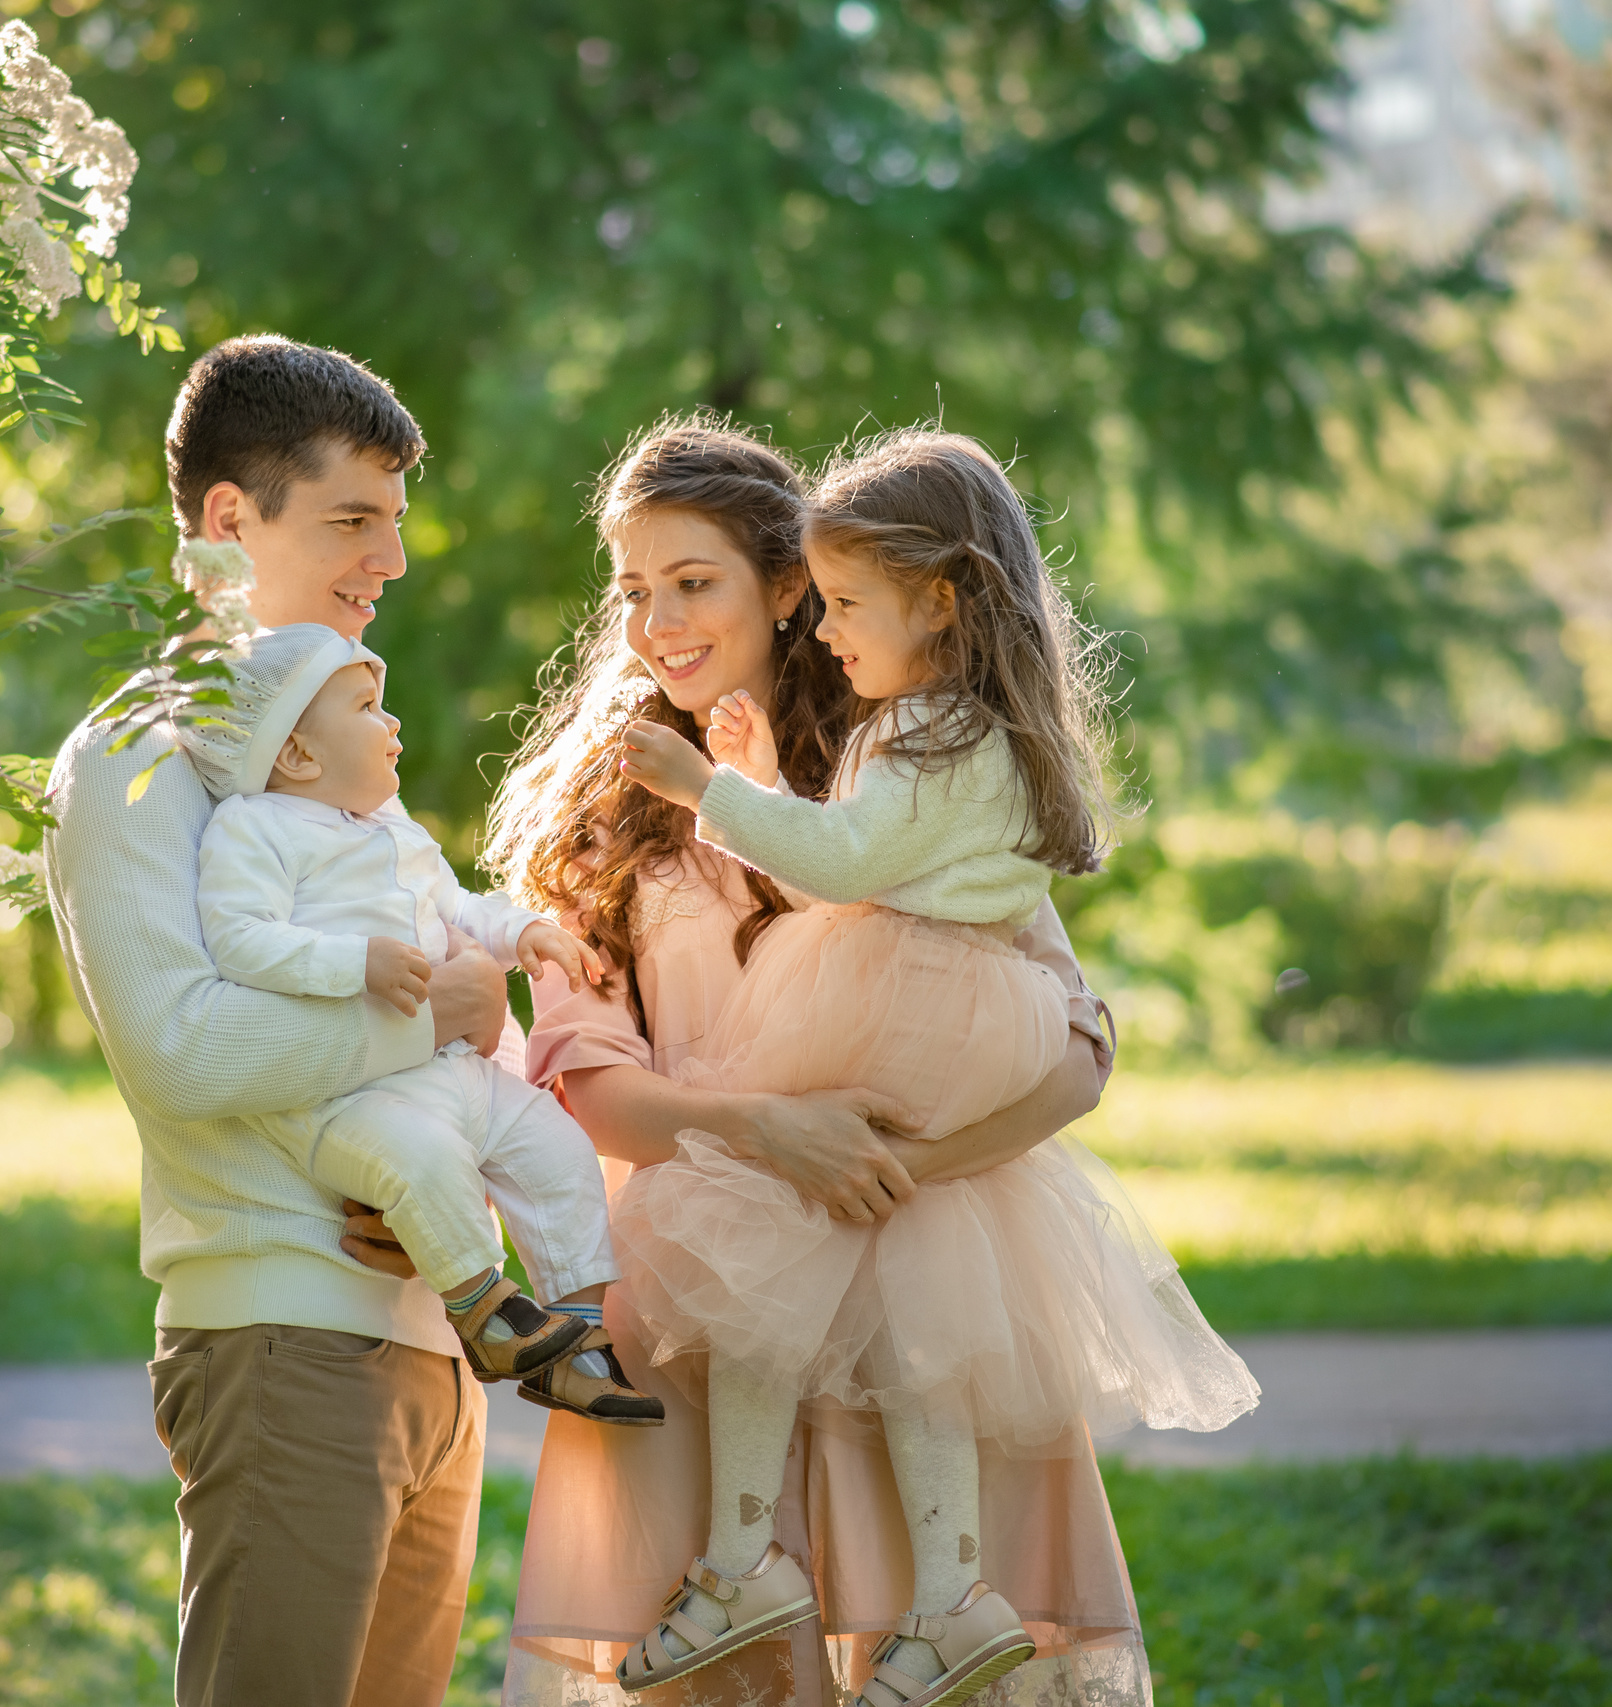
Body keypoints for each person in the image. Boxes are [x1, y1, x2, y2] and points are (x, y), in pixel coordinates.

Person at [473, 417, 1158, 1707]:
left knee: (941, 1641)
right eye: (632, 591)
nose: (656, 623)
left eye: (695, 583)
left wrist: (910, 1168)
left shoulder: (904, 770)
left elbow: (1074, 1041)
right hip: (717, 1308)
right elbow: (588, 1087)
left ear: (789, 588)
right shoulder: (613, 815)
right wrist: (772, 1134)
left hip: (919, 1291)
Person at [606, 428, 1259, 1704]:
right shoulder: (948, 732)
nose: (833, 633)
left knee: (757, 1268)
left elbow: (847, 869)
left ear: (941, 598)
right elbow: (849, 852)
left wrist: (705, 791)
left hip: (913, 1007)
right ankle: (948, 1598)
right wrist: (751, 776)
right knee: (923, 1334)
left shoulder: (928, 735)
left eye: (846, 604)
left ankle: (748, 1560)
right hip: (954, 1019)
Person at [43, 335, 509, 1707]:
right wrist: (435, 1027)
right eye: (353, 519)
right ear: (229, 524)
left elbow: (466, 999)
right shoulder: (133, 756)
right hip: (284, 1334)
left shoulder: (347, 752)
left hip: (429, 1333)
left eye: (398, 523)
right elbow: (183, 1047)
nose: (393, 560)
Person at [181, 618, 664, 1424]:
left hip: (453, 1068)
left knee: (557, 1149)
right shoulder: (254, 829)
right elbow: (239, 939)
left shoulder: (396, 829)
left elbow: (461, 911)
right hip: (358, 1090)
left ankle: (579, 1338)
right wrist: (354, 963)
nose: (393, 721)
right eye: (368, 707)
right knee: (426, 1163)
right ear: (297, 754)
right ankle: (485, 1311)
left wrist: (525, 931)